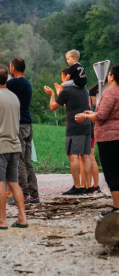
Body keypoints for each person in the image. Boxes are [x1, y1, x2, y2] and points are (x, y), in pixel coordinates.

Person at [0, 64, 29, 229]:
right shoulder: (14, 97)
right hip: (14, 144)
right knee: (13, 182)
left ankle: (2, 219)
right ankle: (22, 217)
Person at [75, 64, 119, 217]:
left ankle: (116, 208)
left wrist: (86, 116)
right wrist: (93, 112)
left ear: (112, 77)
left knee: (112, 173)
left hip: (110, 138)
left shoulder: (111, 93)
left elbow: (101, 116)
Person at [45, 67, 93, 195]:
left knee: (73, 156)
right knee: (86, 156)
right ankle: (88, 186)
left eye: (63, 76)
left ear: (68, 77)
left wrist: (53, 95)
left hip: (74, 126)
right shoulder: (84, 90)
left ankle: (77, 186)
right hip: (86, 124)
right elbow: (70, 104)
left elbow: (53, 107)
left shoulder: (67, 90)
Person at [6, 58, 39, 204]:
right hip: (28, 124)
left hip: (18, 125)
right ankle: (35, 195)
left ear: (13, 67)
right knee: (27, 161)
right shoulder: (26, 82)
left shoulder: (14, 83)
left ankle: (24, 195)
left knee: (18, 161)